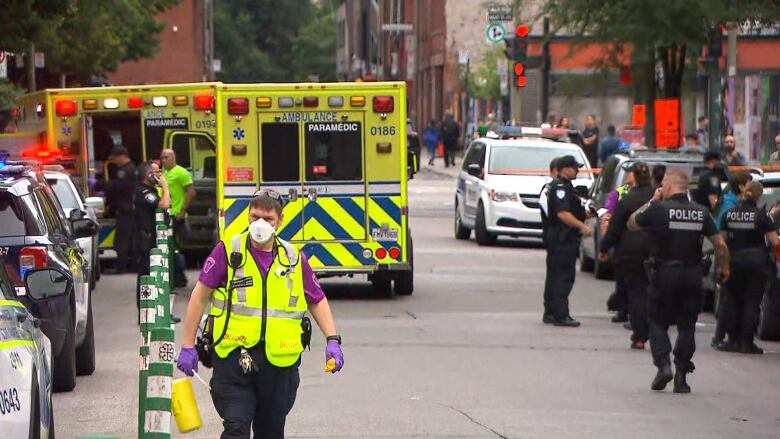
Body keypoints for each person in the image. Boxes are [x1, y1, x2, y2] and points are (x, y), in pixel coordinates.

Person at [176, 190, 343, 437]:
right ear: (247, 216)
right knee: (236, 427)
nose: (260, 224)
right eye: (255, 217)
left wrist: (332, 340)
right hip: (233, 358)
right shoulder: (228, 252)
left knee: (271, 432)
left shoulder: (294, 259)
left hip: (279, 364)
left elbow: (316, 300)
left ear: (281, 221)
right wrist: (188, 345)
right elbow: (199, 297)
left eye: (268, 219)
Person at [628, 169, 729, 393]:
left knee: (657, 321)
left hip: (664, 274)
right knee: (687, 325)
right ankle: (682, 376)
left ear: (669, 187)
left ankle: (663, 365)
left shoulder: (657, 209)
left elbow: (632, 223)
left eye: (663, 185)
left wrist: (652, 201)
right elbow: (720, 245)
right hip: (693, 276)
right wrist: (723, 268)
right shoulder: (701, 212)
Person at [719, 181, 779, 354]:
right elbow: (775, 241)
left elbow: (721, 243)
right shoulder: (762, 216)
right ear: (759, 196)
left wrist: (721, 265)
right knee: (752, 302)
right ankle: (746, 342)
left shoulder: (729, 214)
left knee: (733, 300)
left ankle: (732, 340)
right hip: (756, 262)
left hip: (734, 261)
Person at [600, 162, 654, 348]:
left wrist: (604, 248)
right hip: (657, 252)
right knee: (654, 292)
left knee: (637, 292)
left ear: (634, 177)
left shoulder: (627, 200)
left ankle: (640, 336)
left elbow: (614, 228)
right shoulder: (658, 198)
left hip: (631, 252)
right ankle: (656, 331)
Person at [546, 155, 593, 327]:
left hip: (559, 237)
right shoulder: (561, 188)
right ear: (565, 168)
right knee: (563, 276)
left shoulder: (566, 187)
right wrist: (582, 226)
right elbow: (562, 214)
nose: (578, 171)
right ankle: (561, 314)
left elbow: (571, 209)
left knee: (554, 275)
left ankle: (551, 311)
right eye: (574, 167)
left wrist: (586, 214)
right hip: (562, 238)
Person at [133, 161, 170, 318]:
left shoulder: (151, 190)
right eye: (157, 172)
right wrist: (165, 186)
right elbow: (164, 204)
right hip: (144, 240)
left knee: (156, 275)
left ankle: (157, 311)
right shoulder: (143, 192)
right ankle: (145, 312)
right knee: (146, 276)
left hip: (151, 238)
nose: (160, 175)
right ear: (147, 175)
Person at [602, 168, 636, 323]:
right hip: (622, 241)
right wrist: (605, 240)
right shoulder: (618, 193)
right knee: (622, 279)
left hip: (640, 242)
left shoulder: (652, 193)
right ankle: (622, 310)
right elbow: (607, 217)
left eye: (630, 172)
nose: (627, 174)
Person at [160, 149, 196, 288]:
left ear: (173, 158)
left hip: (176, 215)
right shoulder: (165, 173)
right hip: (168, 214)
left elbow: (191, 192)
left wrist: (182, 210)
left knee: (174, 247)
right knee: (170, 247)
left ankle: (179, 277)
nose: (163, 160)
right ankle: (176, 277)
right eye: (162, 158)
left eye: (166, 157)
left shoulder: (181, 172)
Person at [100, 146, 137, 273]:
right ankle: (129, 266)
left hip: (126, 210)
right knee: (126, 239)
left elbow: (118, 187)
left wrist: (101, 185)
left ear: (122, 156)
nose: (114, 161)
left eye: (115, 158)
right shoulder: (130, 168)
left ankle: (121, 267)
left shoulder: (126, 171)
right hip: (126, 209)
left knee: (122, 240)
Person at [539, 157, 559, 324]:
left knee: (559, 275)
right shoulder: (548, 191)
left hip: (562, 237)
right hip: (554, 236)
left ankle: (555, 308)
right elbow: (552, 215)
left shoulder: (561, 188)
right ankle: (551, 309)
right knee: (555, 275)